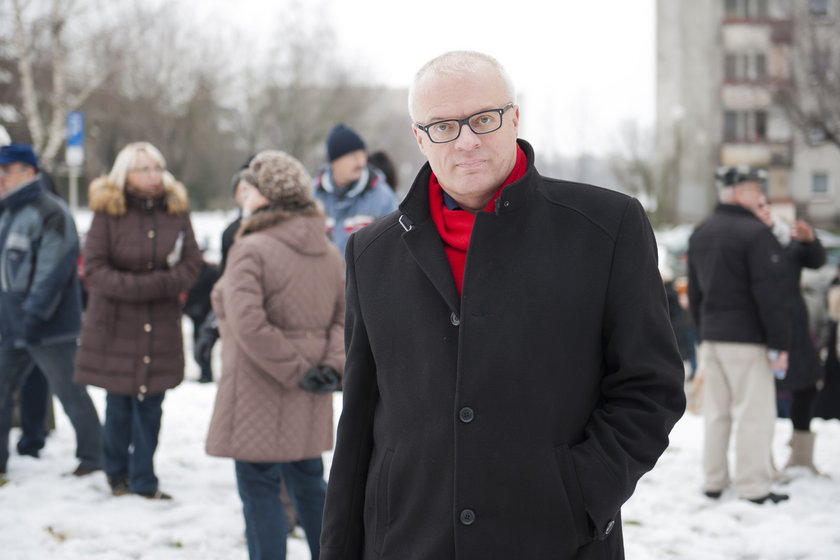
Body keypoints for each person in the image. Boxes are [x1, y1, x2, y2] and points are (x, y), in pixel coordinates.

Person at [320, 51, 686, 560]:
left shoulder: (606, 226)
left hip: (555, 541)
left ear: (513, 117)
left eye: (483, 119)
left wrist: (580, 495)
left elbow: (651, 388)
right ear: (419, 137)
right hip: (406, 541)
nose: (466, 139)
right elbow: (358, 422)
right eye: (443, 126)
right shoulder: (370, 252)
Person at [205, 150, 345, 560]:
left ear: (266, 196)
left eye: (250, 188)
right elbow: (344, 317)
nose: (243, 197)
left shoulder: (251, 247)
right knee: (308, 480)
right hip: (310, 385)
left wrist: (296, 371)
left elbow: (248, 322)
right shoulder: (327, 249)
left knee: (260, 488)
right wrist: (328, 367)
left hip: (257, 389)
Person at [73, 141, 202, 499]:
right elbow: (95, 269)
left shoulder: (176, 210)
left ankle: (144, 478)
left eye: (156, 168)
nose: (152, 176)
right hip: (115, 323)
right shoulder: (107, 212)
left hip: (160, 324)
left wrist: (161, 284)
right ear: (125, 174)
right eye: (143, 169)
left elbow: (192, 263)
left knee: (151, 405)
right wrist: (146, 286)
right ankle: (116, 473)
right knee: (119, 405)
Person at [688, 165, 791, 504]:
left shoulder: (702, 232)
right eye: (754, 189)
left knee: (717, 413)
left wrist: (703, 333)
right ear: (738, 192)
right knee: (753, 414)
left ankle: (714, 481)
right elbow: (769, 294)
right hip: (748, 339)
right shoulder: (755, 234)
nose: (760, 195)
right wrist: (779, 343)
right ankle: (753, 487)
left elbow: (697, 292)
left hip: (713, 337)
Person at [0, 142, 103, 478]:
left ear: (28, 172)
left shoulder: (51, 210)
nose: (0, 178)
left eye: (6, 171)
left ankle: (93, 456)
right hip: (10, 323)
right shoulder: (7, 210)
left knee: (70, 391)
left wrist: (33, 315)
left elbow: (54, 269)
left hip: (47, 326)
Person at [754, 199, 827, 474]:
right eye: (759, 208)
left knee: (807, 387)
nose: (765, 212)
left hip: (796, 327)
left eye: (766, 207)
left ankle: (801, 457)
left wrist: (811, 241)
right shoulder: (750, 241)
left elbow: (815, 260)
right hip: (762, 330)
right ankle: (764, 461)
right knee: (763, 396)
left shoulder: (786, 241)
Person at [312, 124, 399, 255]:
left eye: (362, 155)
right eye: (353, 156)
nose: (361, 163)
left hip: (365, 275)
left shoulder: (382, 195)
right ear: (335, 161)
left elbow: (395, 244)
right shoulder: (313, 195)